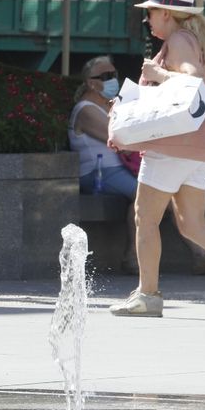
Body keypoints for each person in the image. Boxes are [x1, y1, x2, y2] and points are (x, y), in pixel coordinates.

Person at [108, 0, 205, 317]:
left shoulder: (179, 40)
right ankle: (146, 294)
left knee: (145, 218)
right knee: (193, 225)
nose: (147, 19)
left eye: (150, 12)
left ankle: (147, 295)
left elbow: (191, 80)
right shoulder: (196, 38)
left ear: (167, 13)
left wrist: (156, 73)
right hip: (199, 147)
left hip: (172, 147)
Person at [69, 55, 140, 273]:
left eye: (114, 75)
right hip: (98, 172)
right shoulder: (85, 109)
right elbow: (121, 139)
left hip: (117, 170)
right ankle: (132, 257)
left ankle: (200, 254)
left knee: (163, 192)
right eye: (107, 76)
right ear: (91, 82)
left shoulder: (108, 106)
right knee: (146, 195)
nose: (113, 80)